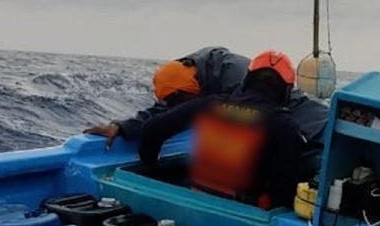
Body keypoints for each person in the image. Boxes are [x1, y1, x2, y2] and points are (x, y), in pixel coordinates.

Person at [85, 46, 328, 176]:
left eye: (182, 100)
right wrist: (123, 126)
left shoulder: (238, 79)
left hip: (309, 123)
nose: (179, 104)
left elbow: (269, 123)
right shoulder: (189, 80)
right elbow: (166, 111)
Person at [137, 51, 303, 210]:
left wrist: (151, 169)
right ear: (286, 91)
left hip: (196, 203)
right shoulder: (284, 126)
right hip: (244, 216)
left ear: (247, 80)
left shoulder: (210, 105)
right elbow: (283, 193)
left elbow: (150, 129)